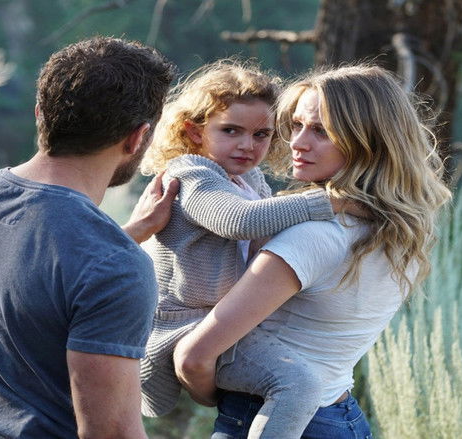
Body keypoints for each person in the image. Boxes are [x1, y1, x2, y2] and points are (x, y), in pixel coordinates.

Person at [174, 65, 452, 438]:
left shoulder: (311, 237)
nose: (298, 143)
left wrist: (214, 397)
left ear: (367, 141)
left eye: (321, 131)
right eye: (297, 125)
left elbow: (193, 357)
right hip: (343, 418)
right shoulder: (398, 230)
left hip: (270, 418)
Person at [0, 37, 176, 438]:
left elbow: (36, 272)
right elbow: (110, 433)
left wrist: (128, 235)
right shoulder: (114, 266)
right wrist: (119, 248)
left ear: (40, 114)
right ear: (137, 138)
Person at [138, 60, 345, 431]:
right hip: (184, 327)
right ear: (194, 131)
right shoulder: (191, 174)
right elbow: (238, 221)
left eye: (261, 134)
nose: (247, 145)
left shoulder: (248, 179)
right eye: (230, 130)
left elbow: (264, 231)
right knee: (299, 384)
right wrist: (331, 202)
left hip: (221, 325)